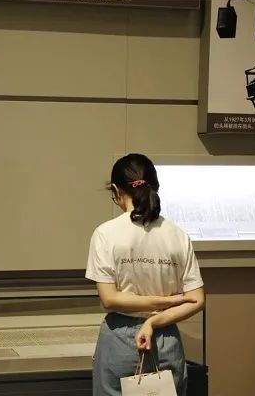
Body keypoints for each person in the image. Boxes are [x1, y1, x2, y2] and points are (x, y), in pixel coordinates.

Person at [85, 153, 204, 396]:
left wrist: (155, 309)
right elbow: (197, 299)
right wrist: (157, 316)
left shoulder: (106, 234)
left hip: (120, 340)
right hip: (166, 338)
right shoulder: (177, 235)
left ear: (116, 190)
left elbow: (110, 299)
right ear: (154, 187)